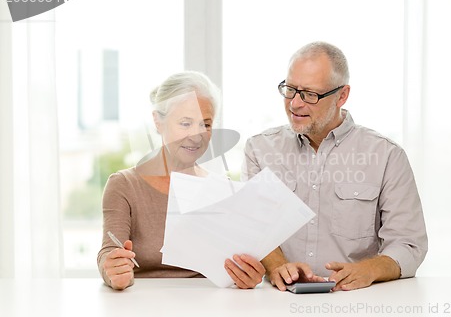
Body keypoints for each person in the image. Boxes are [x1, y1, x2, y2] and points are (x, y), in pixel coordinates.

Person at [241, 41, 428, 291]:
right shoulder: (259, 150)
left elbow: (409, 244)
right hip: (279, 301)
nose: (295, 104)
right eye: (290, 89)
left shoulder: (386, 155)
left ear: (342, 95)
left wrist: (369, 270)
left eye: (310, 94)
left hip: (356, 301)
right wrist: (278, 266)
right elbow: (253, 224)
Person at [98, 71, 265, 290]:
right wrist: (113, 270)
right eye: (186, 123)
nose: (196, 135)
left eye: (205, 124)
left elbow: (235, 268)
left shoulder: (223, 190)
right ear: (158, 122)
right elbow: (109, 251)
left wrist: (247, 276)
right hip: (143, 306)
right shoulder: (124, 185)